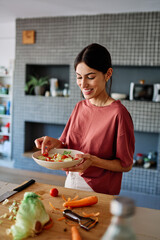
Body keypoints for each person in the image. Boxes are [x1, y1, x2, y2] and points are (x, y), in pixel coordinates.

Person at [35, 43, 135, 195]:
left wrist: (93, 161)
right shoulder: (79, 107)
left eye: (91, 77)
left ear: (108, 74)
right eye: (79, 77)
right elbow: (68, 146)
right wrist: (55, 143)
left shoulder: (118, 114)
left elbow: (125, 165)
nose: (83, 84)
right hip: (71, 181)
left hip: (99, 191)